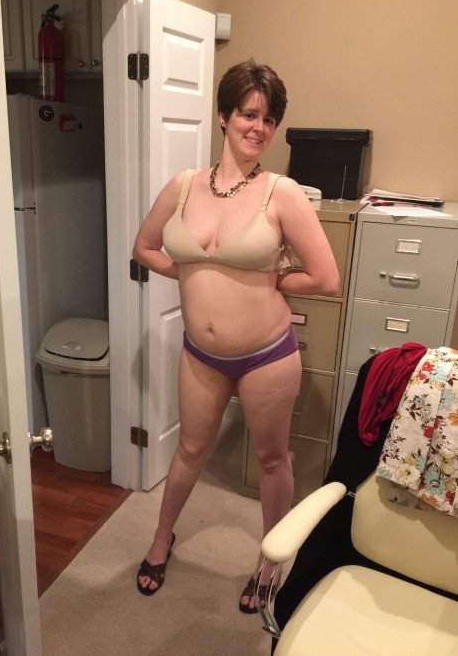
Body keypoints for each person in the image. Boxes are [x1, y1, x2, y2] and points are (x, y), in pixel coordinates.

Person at [132, 59, 340, 611]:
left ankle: (270, 560)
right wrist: (193, 271)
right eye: (249, 114)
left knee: (271, 458)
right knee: (191, 448)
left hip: (266, 355)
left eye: (269, 119)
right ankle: (161, 538)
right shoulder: (182, 187)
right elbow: (144, 247)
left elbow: (327, 278)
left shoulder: (282, 193)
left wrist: (273, 277)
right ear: (224, 115)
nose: (259, 127)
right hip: (200, 353)